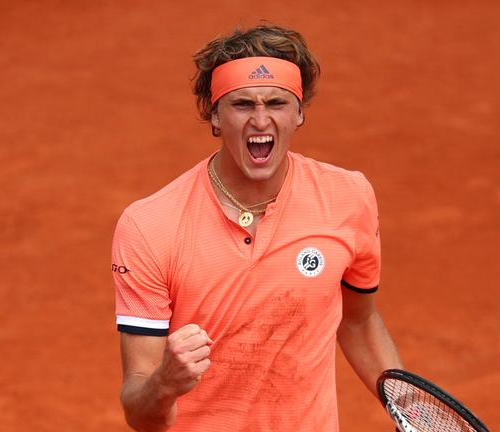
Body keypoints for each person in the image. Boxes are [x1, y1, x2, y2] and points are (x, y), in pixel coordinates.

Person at [112, 24, 402, 432]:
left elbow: (357, 321)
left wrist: (411, 411)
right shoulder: (149, 226)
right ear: (214, 114)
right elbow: (139, 411)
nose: (261, 120)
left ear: (299, 112)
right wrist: (165, 383)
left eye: (277, 103)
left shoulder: (347, 198)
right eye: (243, 104)